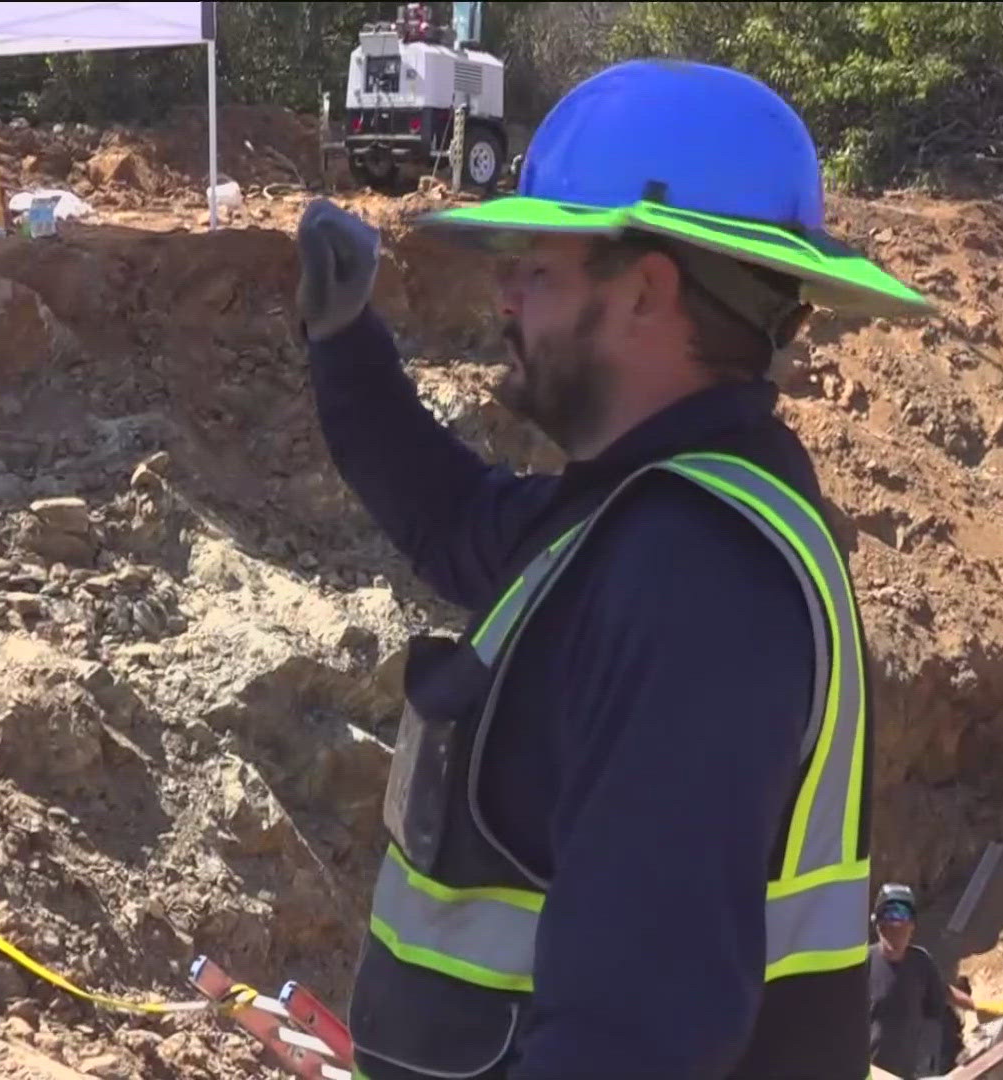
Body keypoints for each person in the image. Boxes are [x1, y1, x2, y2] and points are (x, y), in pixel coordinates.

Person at [294, 58, 932, 1080]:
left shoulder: (695, 581)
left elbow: (629, 1039)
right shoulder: (636, 519)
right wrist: (343, 342)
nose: (504, 289)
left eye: (538, 261)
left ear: (645, 291)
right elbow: (456, 520)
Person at [867, 885, 973, 1079]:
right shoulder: (863, 964)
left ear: (912, 925)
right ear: (877, 923)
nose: (896, 925)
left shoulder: (921, 962)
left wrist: (980, 1007)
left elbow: (945, 993)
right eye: (890, 915)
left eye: (903, 916)